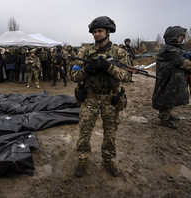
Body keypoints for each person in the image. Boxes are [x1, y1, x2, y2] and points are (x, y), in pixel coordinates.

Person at [71, 16, 132, 177]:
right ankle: (82, 159)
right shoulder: (84, 52)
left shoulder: (120, 53)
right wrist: (86, 71)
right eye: (94, 32)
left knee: (110, 134)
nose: (96, 34)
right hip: (90, 98)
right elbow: (74, 76)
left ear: (108, 32)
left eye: (100, 31)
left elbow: (127, 76)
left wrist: (108, 67)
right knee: (84, 133)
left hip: (111, 99)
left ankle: (108, 159)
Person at [152, 26, 191, 129]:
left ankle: (167, 115)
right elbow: (181, 61)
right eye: (180, 36)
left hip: (173, 78)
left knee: (171, 97)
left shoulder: (175, 48)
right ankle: (164, 119)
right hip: (168, 79)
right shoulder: (169, 50)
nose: (182, 37)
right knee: (167, 97)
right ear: (173, 37)